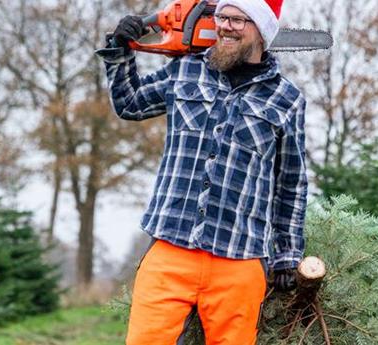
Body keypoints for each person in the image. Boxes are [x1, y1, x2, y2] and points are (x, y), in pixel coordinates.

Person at [96, 0, 307, 343]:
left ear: (262, 31)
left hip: (240, 258)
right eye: (223, 16)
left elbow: (291, 185)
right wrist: (120, 48)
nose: (226, 26)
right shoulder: (185, 70)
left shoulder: (287, 99)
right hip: (170, 247)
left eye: (239, 20)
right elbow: (130, 102)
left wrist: (287, 254)